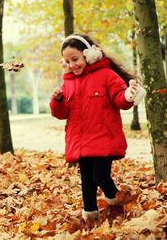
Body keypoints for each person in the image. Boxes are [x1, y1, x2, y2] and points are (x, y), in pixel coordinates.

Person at [49, 34, 145, 229]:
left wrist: (128, 95)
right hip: (80, 141)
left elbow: (119, 99)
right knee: (87, 182)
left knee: (100, 176)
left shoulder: (106, 75)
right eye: (67, 61)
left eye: (75, 59)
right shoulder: (67, 83)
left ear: (89, 55)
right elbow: (61, 114)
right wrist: (57, 100)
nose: (72, 65)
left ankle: (115, 202)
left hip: (103, 139)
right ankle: (90, 217)